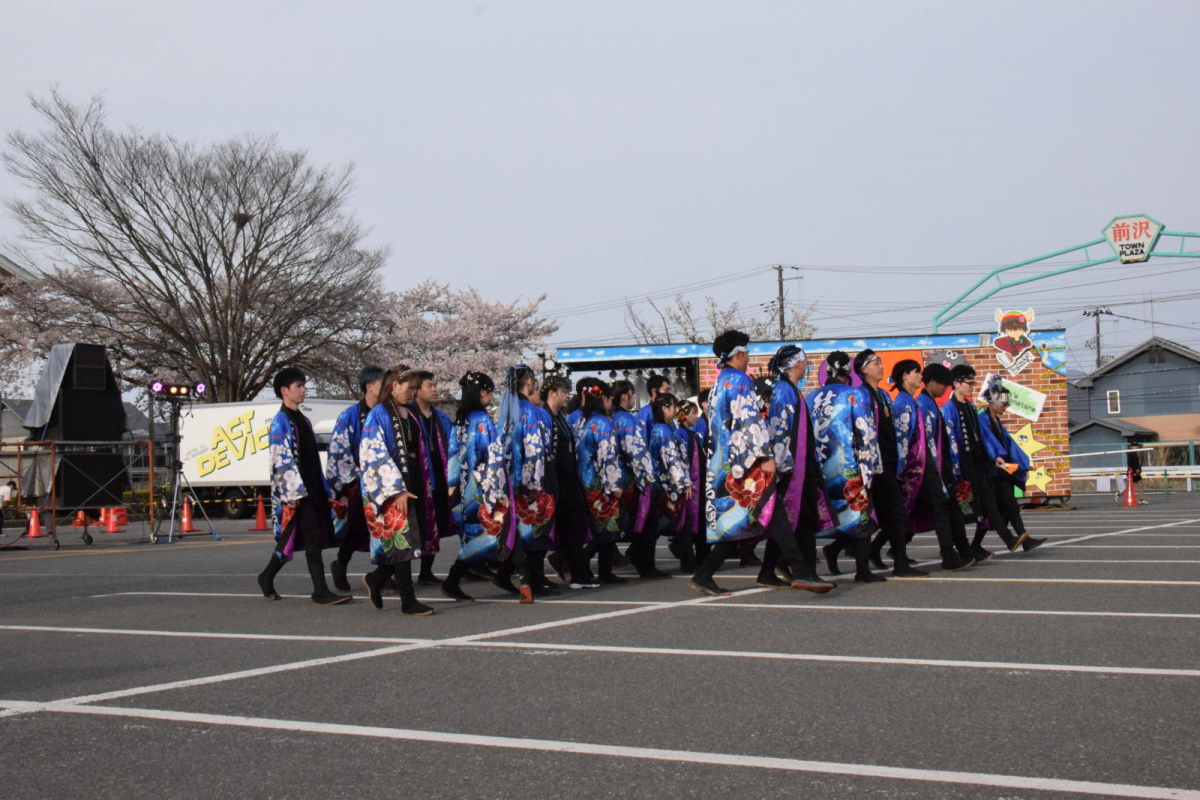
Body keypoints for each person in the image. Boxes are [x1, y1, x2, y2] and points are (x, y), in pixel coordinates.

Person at [690, 330, 779, 596]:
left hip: (722, 461)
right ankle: (789, 568)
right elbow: (750, 420)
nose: (749, 357)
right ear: (738, 354)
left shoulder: (721, 381)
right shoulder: (740, 381)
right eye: (747, 352)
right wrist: (765, 455)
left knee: (738, 521)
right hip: (742, 464)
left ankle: (707, 574)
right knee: (754, 515)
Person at [255, 367, 350, 606]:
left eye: (303, 385)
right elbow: (280, 459)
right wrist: (292, 492)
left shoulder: (303, 420)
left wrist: (325, 488)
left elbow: (311, 459)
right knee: (311, 539)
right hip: (298, 492)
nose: (303, 390)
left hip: (313, 489)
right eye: (298, 386)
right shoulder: (280, 421)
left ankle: (266, 576)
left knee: (292, 539)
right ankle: (320, 590)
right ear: (284, 390)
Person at [358, 365, 436, 616]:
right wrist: (396, 489)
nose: (413, 392)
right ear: (394, 387)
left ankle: (377, 577)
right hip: (392, 487)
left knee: (412, 539)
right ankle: (407, 600)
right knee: (403, 541)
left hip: (412, 481)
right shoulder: (379, 414)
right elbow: (373, 455)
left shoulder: (409, 413)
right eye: (409, 388)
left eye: (415, 388)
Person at [444, 371, 526, 603]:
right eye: (490, 392)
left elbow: (451, 460)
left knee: (476, 539)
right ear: (482, 392)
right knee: (500, 533)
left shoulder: (459, 421)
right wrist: (496, 494)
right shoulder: (482, 421)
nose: (491, 396)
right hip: (482, 491)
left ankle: (457, 582)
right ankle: (519, 578)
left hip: (463, 491)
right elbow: (492, 460)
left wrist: (452, 490)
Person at [760, 344, 836, 591]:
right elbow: (777, 430)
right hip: (793, 468)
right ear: (797, 364)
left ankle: (767, 572)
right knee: (802, 519)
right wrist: (783, 466)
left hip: (802, 465)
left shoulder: (791, 390)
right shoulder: (784, 390)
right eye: (805, 361)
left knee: (798, 519)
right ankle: (807, 572)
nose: (807, 365)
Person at [943, 364, 1034, 559]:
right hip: (962, 468)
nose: (972, 387)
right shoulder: (949, 409)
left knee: (990, 506)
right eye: (969, 383)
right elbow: (951, 441)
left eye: (974, 383)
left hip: (980, 465)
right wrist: (955, 468)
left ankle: (1003, 541)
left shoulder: (971, 407)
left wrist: (996, 457)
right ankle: (958, 549)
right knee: (962, 512)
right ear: (956, 383)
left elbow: (982, 439)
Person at [810, 351, 886, 584]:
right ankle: (862, 570)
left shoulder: (810, 398)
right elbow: (865, 433)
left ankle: (825, 555)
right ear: (848, 372)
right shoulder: (855, 395)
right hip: (850, 467)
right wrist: (873, 467)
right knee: (860, 516)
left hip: (820, 468)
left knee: (827, 516)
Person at [853, 349, 927, 577]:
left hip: (887, 463)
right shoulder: (860, 395)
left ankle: (893, 564)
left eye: (880, 363)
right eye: (875, 363)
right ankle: (867, 568)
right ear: (863, 369)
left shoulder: (884, 395)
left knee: (892, 514)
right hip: (870, 466)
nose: (881, 366)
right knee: (872, 514)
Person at [496, 365, 558, 596]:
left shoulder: (506, 410)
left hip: (511, 479)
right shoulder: (528, 410)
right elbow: (534, 450)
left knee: (521, 530)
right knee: (536, 528)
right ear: (529, 382)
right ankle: (533, 578)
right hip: (531, 479)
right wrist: (534, 484)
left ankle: (512, 575)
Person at [910, 363, 975, 571]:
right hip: (931, 468)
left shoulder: (930, 403)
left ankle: (961, 550)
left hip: (941, 466)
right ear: (932, 382)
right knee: (940, 511)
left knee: (945, 510)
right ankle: (950, 553)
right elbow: (925, 442)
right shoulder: (923, 404)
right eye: (943, 384)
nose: (945, 389)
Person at [324, 365, 384, 592]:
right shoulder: (348, 416)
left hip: (384, 481)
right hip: (358, 482)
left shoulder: (386, 413)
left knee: (386, 527)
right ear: (369, 387)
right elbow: (338, 451)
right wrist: (353, 481)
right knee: (358, 526)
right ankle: (341, 562)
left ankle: (382, 571)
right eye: (382, 383)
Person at [978, 376, 1047, 553]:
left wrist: (1021, 463)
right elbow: (987, 443)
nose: (1005, 407)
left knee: (1003, 510)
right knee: (1006, 508)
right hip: (994, 471)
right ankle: (1021, 540)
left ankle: (1021, 540)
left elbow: (1009, 445)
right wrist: (996, 457)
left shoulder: (996, 421)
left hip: (1003, 470)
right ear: (992, 402)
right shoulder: (982, 419)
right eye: (1004, 404)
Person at [543, 375, 599, 589]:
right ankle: (577, 573)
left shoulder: (561, 417)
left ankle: (579, 573)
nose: (567, 396)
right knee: (570, 528)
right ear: (553, 392)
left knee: (575, 528)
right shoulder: (545, 417)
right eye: (564, 392)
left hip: (569, 478)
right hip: (556, 480)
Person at [573, 379, 628, 584]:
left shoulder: (578, 420)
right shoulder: (603, 422)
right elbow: (608, 456)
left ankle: (585, 567)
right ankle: (603, 571)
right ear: (603, 398)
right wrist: (615, 485)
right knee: (607, 528)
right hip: (600, 483)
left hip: (582, 481)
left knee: (593, 529)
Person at [409, 371, 460, 585]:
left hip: (439, 477)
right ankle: (394, 573)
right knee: (417, 526)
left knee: (434, 524)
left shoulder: (440, 417)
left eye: (435, 384)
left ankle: (426, 571)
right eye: (429, 385)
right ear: (416, 390)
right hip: (418, 481)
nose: (434, 389)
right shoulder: (408, 416)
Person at [637, 393, 691, 579]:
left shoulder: (663, 427)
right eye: (674, 406)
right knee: (658, 525)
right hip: (663, 486)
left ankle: (644, 560)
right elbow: (671, 458)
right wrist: (683, 483)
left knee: (657, 526)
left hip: (663, 484)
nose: (676, 411)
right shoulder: (662, 430)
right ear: (665, 408)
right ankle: (647, 563)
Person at [885, 359, 927, 568]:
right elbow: (901, 438)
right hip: (908, 469)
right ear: (904, 376)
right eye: (916, 372)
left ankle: (889, 551)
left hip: (917, 467)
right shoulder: (902, 402)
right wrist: (900, 468)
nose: (920, 376)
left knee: (907, 514)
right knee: (901, 515)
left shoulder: (910, 400)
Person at [609, 379, 652, 569]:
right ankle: (638, 558)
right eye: (633, 394)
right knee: (639, 519)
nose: (634, 398)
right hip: (628, 477)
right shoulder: (625, 419)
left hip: (615, 475)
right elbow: (634, 451)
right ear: (625, 396)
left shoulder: (611, 417)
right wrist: (645, 472)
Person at [666, 400, 706, 573]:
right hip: (688, 488)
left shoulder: (691, 434)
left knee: (696, 524)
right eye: (692, 413)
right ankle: (688, 561)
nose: (696, 417)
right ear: (684, 416)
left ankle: (699, 560)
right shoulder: (680, 435)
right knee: (687, 526)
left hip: (697, 487)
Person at [636, 374, 670, 439]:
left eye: (669, 390)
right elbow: (643, 439)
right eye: (666, 390)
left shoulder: (667, 411)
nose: (668, 394)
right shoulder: (644, 413)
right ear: (654, 391)